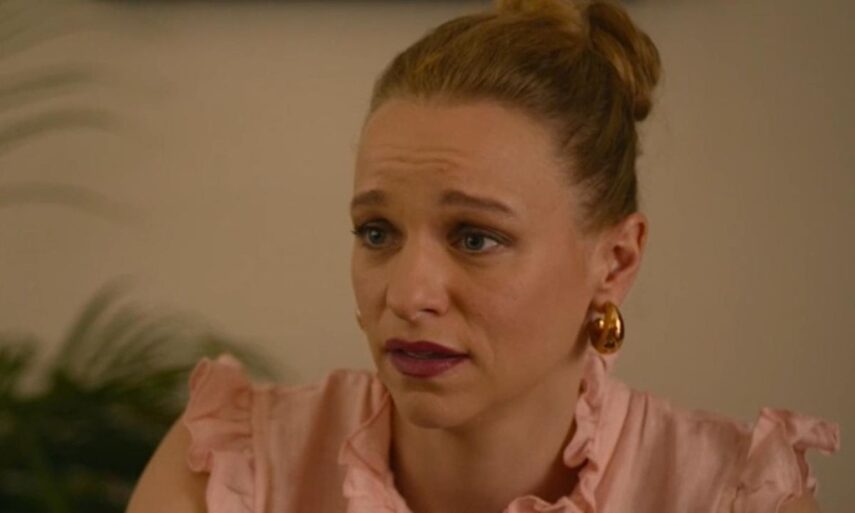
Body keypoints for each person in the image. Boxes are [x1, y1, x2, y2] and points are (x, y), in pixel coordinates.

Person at [126, 1, 839, 512]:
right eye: (377, 232)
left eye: (475, 238)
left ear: (616, 262)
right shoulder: (228, 471)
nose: (408, 294)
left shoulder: (734, 496)